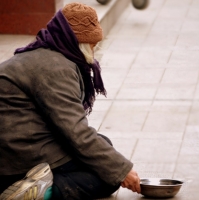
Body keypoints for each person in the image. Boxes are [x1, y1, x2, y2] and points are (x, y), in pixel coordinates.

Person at [0, 2, 141, 200]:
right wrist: (121, 170)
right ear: (77, 43)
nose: (94, 50)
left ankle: (34, 183)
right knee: (108, 177)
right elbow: (76, 132)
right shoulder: (56, 68)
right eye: (92, 44)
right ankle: (39, 193)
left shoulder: (43, 56)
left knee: (104, 147)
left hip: (16, 148)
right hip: (17, 156)